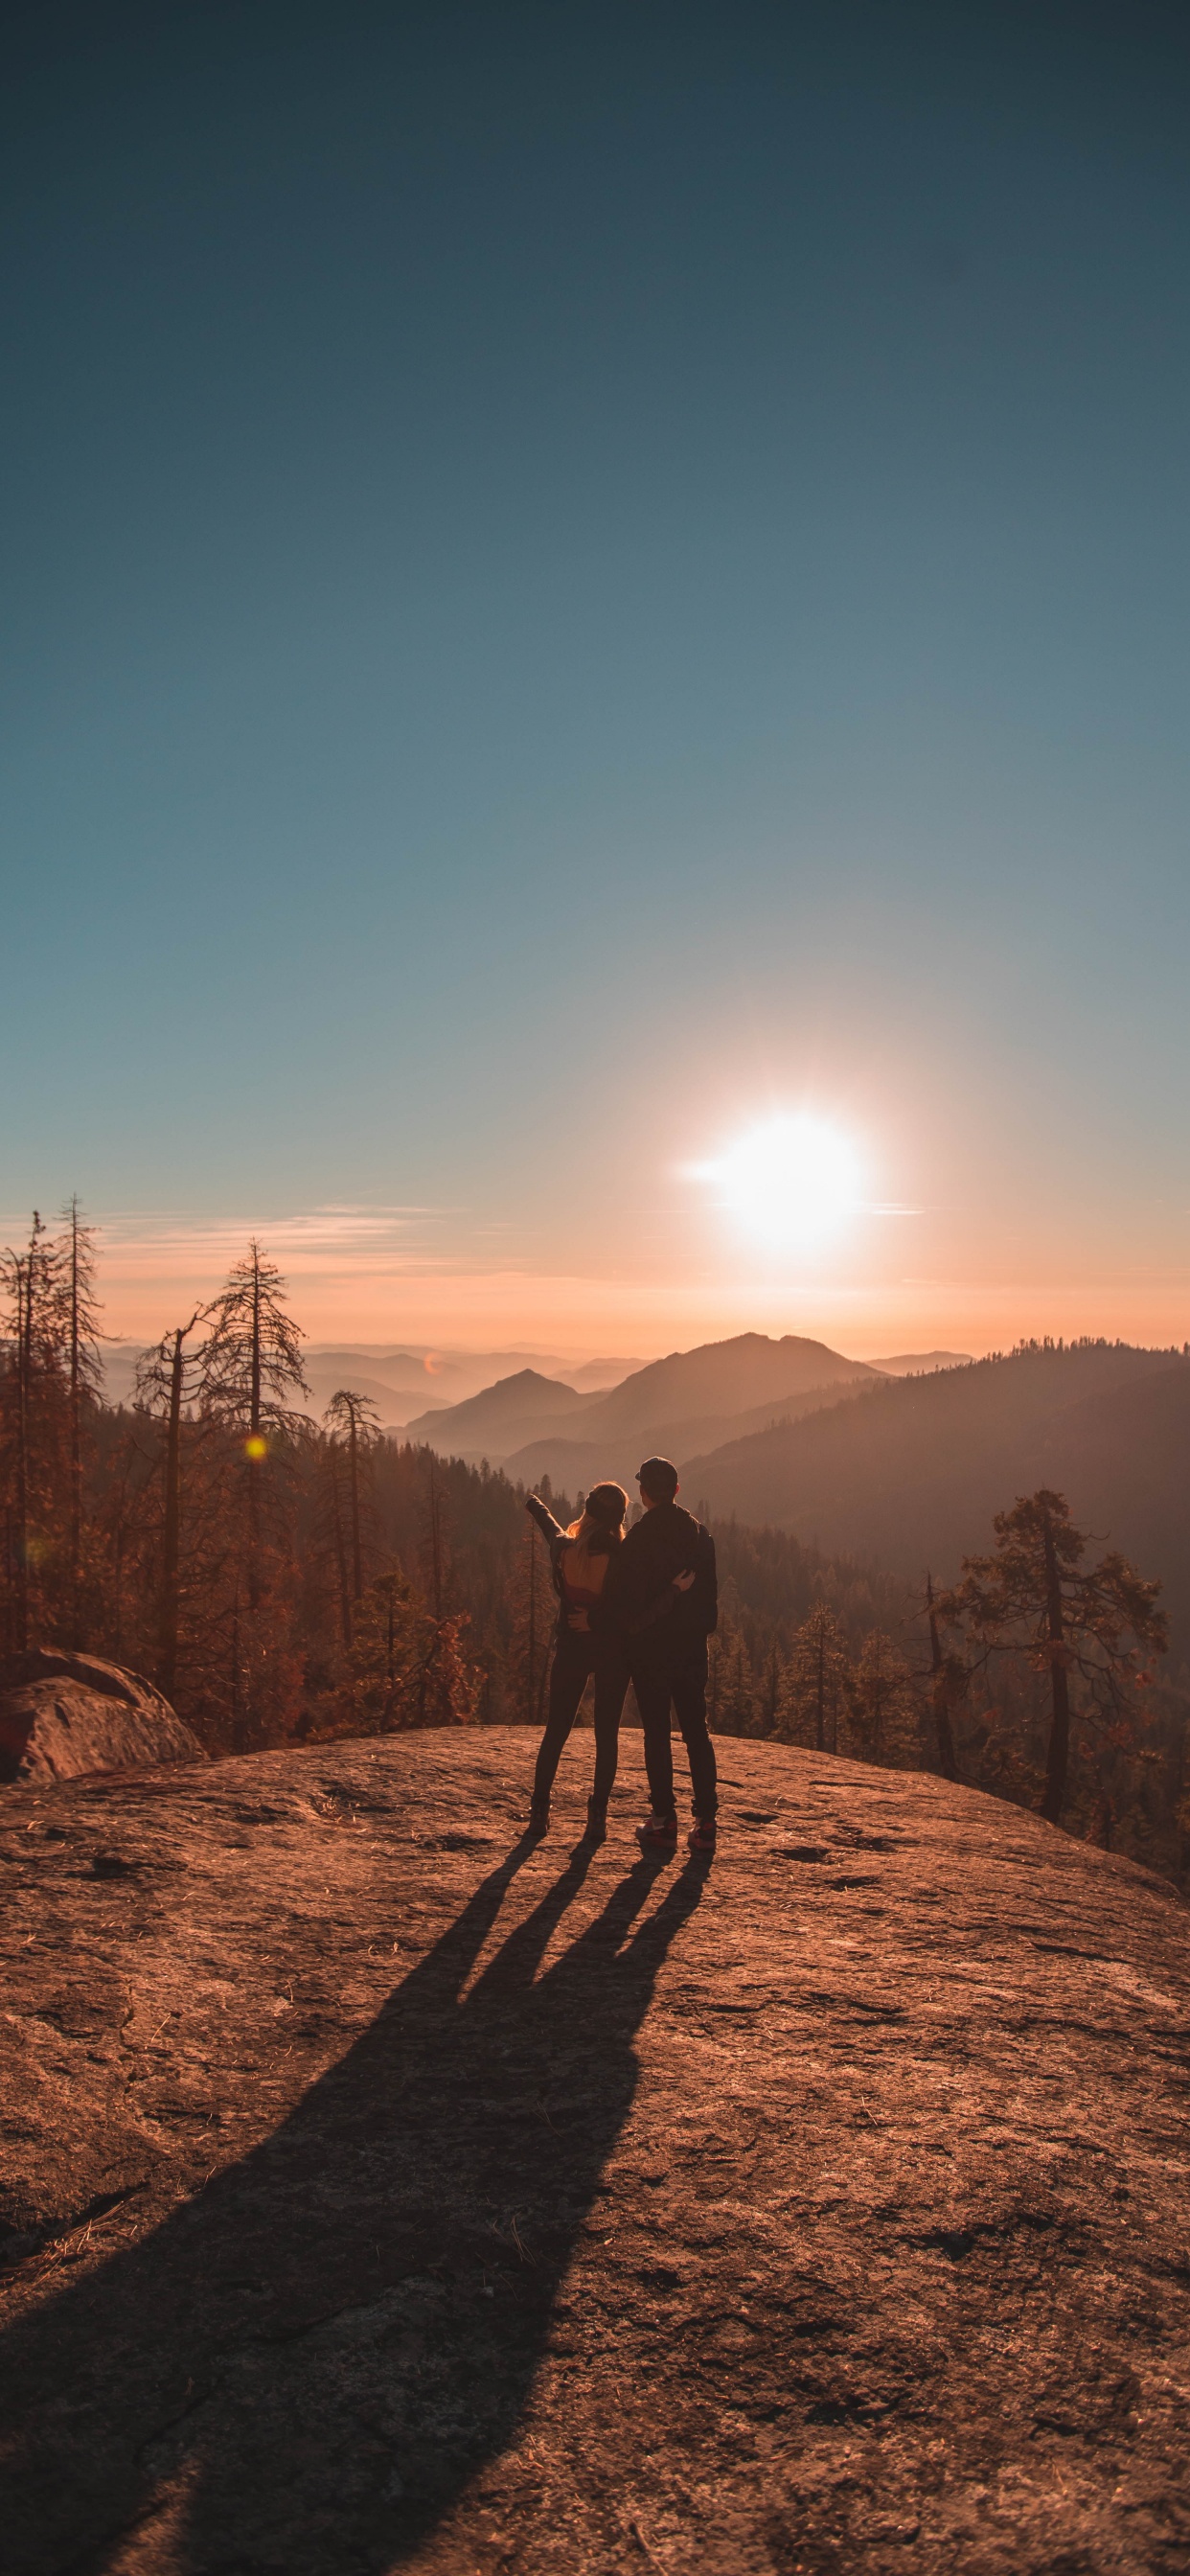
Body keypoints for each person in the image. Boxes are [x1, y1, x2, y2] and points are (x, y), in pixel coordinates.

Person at [594, 1456, 719, 1856]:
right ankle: (706, 1824)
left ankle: (664, 1821)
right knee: (696, 1732)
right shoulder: (700, 1536)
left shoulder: (638, 1541)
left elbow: (626, 1610)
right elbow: (710, 1607)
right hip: (691, 1650)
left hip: (650, 1654)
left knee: (657, 1735)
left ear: (643, 1493)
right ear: (677, 1491)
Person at [523, 1484, 632, 1842]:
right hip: (613, 1652)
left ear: (588, 1513)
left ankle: (539, 1810)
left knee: (556, 1731)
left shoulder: (565, 1549)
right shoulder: (622, 1558)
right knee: (607, 1736)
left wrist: (535, 1505)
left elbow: (550, 1526)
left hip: (572, 1648)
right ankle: (597, 1816)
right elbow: (629, 1607)